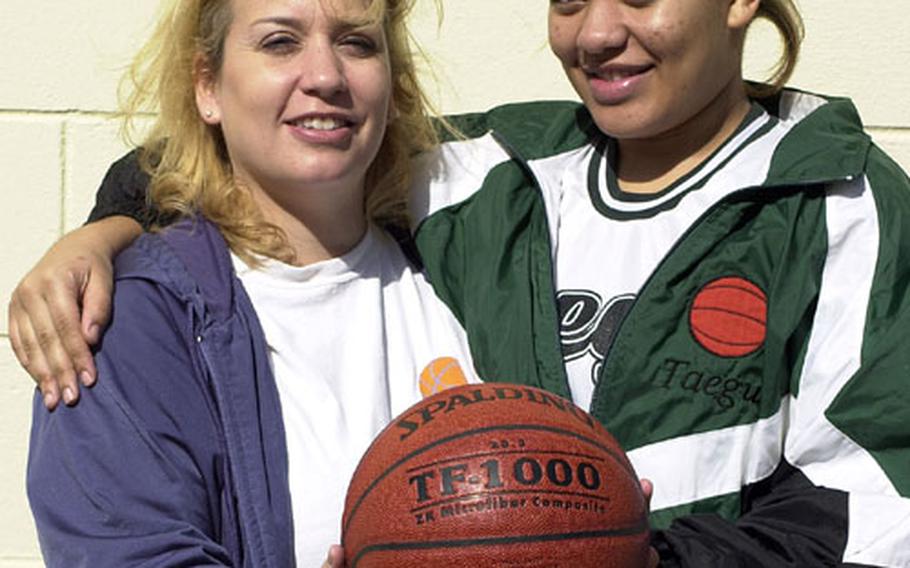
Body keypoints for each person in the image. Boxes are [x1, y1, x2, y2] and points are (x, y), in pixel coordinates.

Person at [12, 0, 910, 565]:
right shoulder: (498, 177)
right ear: (207, 83)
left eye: (358, 42)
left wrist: (632, 554)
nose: (596, 31)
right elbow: (255, 152)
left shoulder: (839, 200)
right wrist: (110, 226)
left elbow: (876, 511)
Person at [23, 0, 482, 565]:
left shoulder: (475, 263)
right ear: (208, 86)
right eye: (280, 43)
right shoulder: (131, 319)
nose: (325, 76)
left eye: (357, 43)